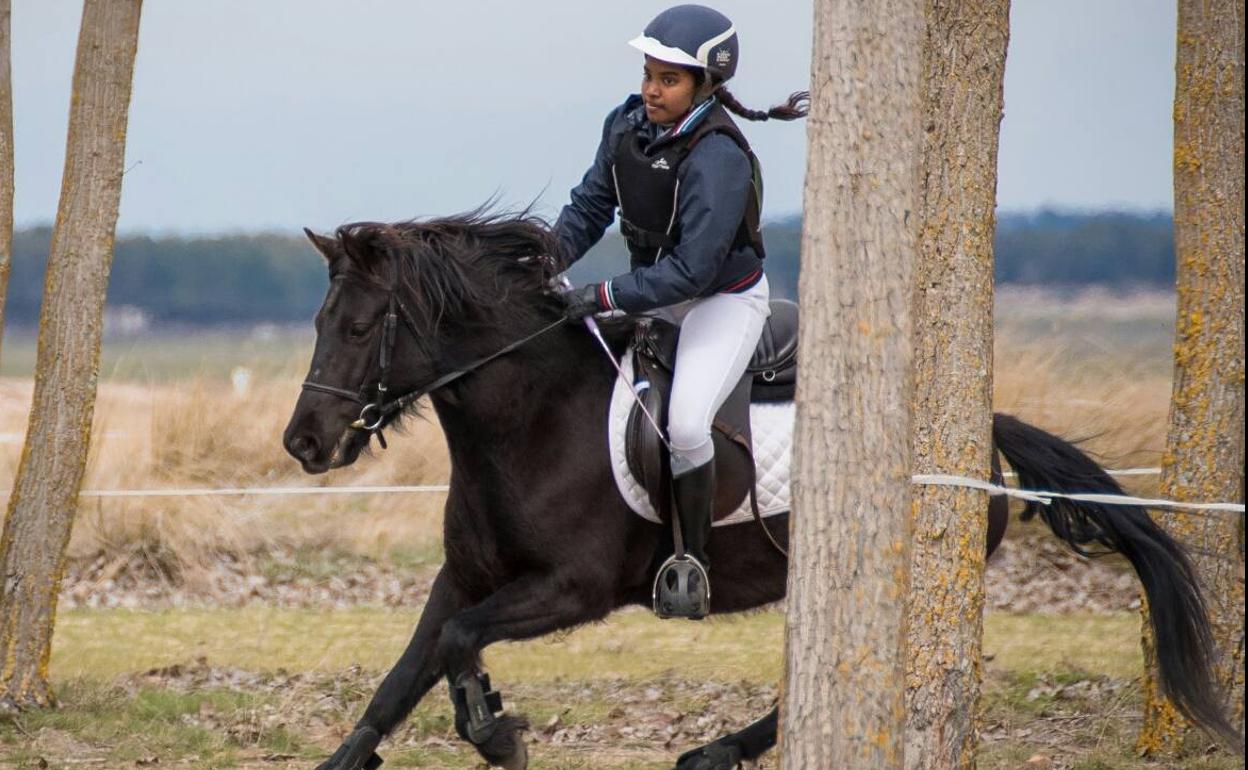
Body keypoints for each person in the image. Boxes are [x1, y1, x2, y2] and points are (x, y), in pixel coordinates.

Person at [553, 4, 808, 619]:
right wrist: (543, 264)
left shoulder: (720, 156)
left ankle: (690, 565)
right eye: (648, 74)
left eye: (668, 79)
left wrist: (602, 295)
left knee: (689, 423)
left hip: (720, 301)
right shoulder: (626, 126)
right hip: (655, 295)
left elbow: (692, 271)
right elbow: (591, 206)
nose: (651, 89)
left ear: (705, 83)